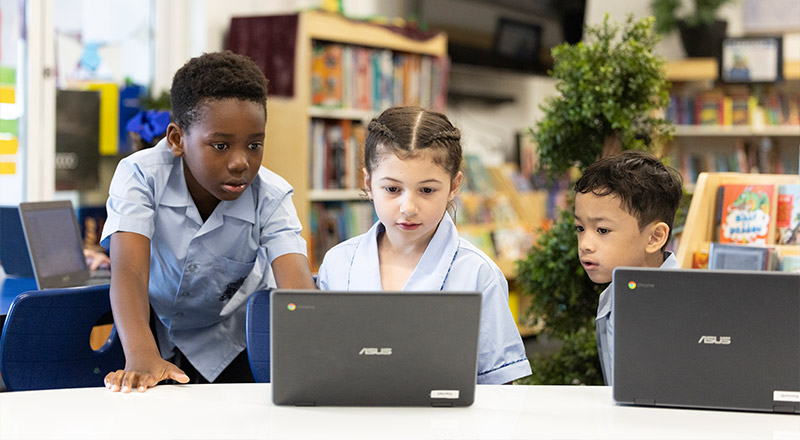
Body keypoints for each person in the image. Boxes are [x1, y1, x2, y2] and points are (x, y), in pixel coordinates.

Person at [100, 51, 317, 393]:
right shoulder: (140, 174)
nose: (241, 163)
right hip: (150, 333)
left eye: (255, 145)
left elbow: (298, 289)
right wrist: (141, 355)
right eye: (220, 145)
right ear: (176, 139)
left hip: (234, 339)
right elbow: (129, 272)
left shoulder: (271, 195)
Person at [317, 106, 532, 385]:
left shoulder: (478, 273)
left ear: (454, 186)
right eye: (392, 189)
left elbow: (501, 383)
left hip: (446, 425)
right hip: (353, 421)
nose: (408, 207)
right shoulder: (337, 263)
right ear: (368, 183)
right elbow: (320, 364)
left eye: (427, 190)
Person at [573, 150, 683, 386]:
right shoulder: (611, 296)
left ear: (655, 238)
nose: (585, 245)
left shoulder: (684, 304)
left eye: (602, 230)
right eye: (580, 228)